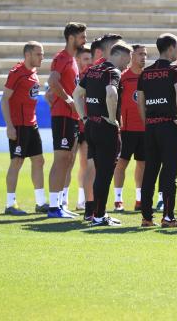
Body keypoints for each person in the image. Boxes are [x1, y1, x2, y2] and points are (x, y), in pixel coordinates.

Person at [73, 41, 132, 226]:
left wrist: (84, 117)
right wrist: (112, 118)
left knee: (99, 172)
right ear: (120, 56)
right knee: (105, 174)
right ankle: (99, 216)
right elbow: (111, 93)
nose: (127, 65)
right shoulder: (112, 72)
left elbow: (76, 94)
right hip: (106, 128)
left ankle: (98, 213)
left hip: (91, 126)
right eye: (127, 60)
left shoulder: (92, 70)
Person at [137, 34, 177, 228]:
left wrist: (146, 122)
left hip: (151, 126)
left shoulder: (146, 73)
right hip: (169, 125)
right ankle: (168, 217)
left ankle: (146, 218)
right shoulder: (176, 70)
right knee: (169, 173)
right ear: (170, 49)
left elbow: (140, 102)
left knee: (150, 171)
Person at [0, 41, 46, 215]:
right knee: (17, 162)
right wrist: (9, 126)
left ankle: (41, 203)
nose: (42, 57)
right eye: (39, 54)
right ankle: (10, 204)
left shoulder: (33, 73)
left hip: (31, 124)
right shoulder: (16, 73)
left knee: (39, 161)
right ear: (28, 55)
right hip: (18, 125)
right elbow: (4, 99)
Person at [46, 22, 86, 218]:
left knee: (68, 159)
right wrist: (68, 99)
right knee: (61, 159)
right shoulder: (62, 58)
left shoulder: (71, 60)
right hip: (62, 116)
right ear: (71, 38)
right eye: (81, 37)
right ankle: (53, 207)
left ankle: (59, 204)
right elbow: (52, 82)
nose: (84, 40)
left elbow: (53, 88)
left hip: (71, 116)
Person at [113, 44, 147, 211]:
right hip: (126, 129)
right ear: (132, 56)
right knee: (121, 163)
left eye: (145, 54)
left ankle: (140, 199)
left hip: (145, 128)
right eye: (140, 54)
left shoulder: (148, 77)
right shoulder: (122, 77)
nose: (144, 58)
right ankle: (118, 199)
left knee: (142, 164)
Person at [74, 45, 92, 211]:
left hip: (86, 125)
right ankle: (61, 199)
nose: (89, 62)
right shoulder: (73, 75)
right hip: (73, 122)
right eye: (85, 59)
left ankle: (82, 199)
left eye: (90, 59)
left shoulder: (92, 76)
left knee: (85, 164)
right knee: (68, 161)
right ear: (78, 59)